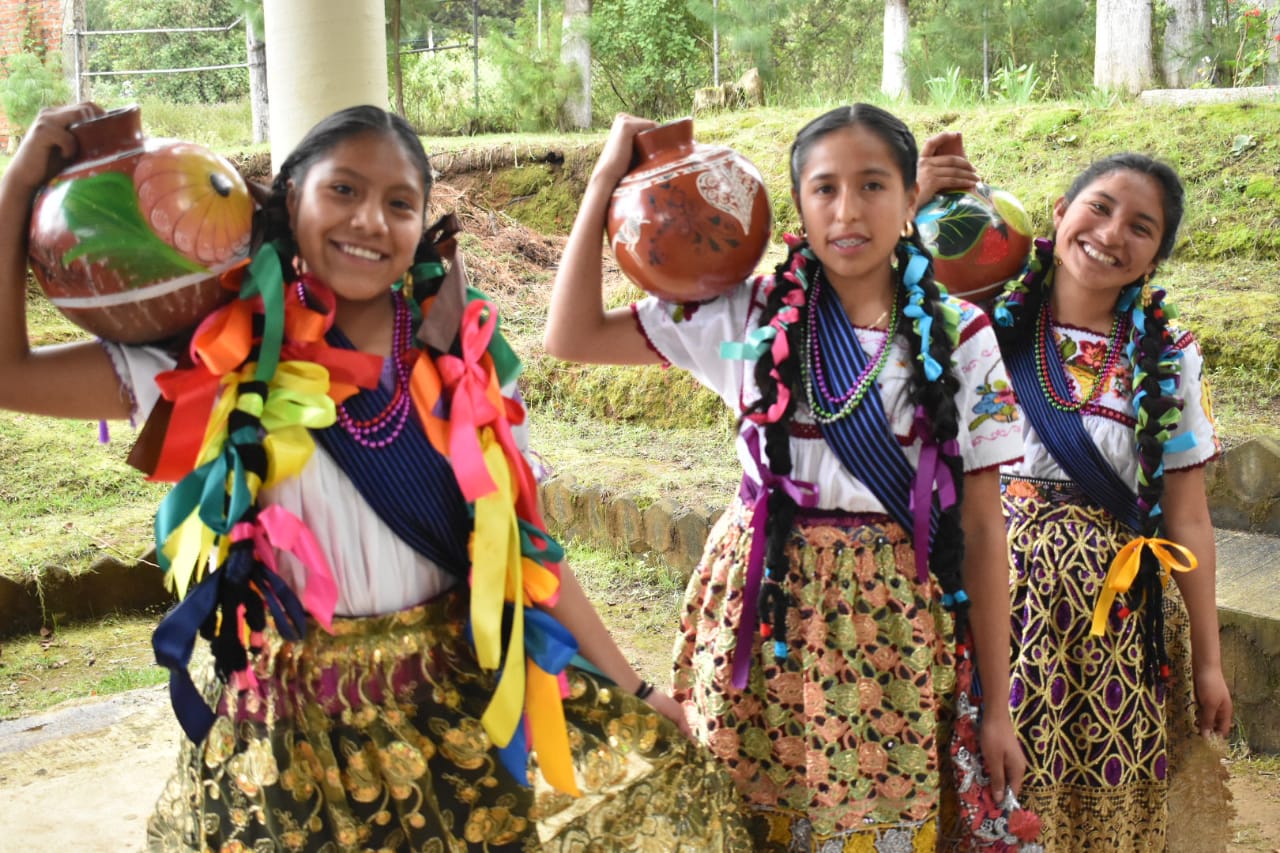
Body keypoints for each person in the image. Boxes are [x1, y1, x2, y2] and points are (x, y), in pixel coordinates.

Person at [0, 102, 750, 851]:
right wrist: (22, 181)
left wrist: (641, 691)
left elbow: (529, 550)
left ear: (423, 222)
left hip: (456, 713)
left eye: (399, 203)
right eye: (343, 191)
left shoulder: (464, 360)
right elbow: (10, 372)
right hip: (291, 736)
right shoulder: (214, 356)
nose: (369, 220)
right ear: (290, 200)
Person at [544, 104, 1027, 850]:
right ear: (797, 205)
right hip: (757, 615)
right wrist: (607, 176)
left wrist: (996, 703)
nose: (847, 210)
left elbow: (986, 529)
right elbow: (570, 333)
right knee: (744, 820)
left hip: (893, 630)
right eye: (825, 188)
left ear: (911, 202)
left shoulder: (961, 336)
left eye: (873, 186)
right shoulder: (746, 318)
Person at [990, 153, 1233, 851]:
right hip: (997, 611)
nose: (1111, 232)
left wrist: (1209, 662)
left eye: (1141, 226)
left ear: (1155, 255)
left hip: (1117, 632)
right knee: (995, 791)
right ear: (1060, 214)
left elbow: (1187, 517)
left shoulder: (1167, 356)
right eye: (1097, 207)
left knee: (1106, 809)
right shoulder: (986, 325)